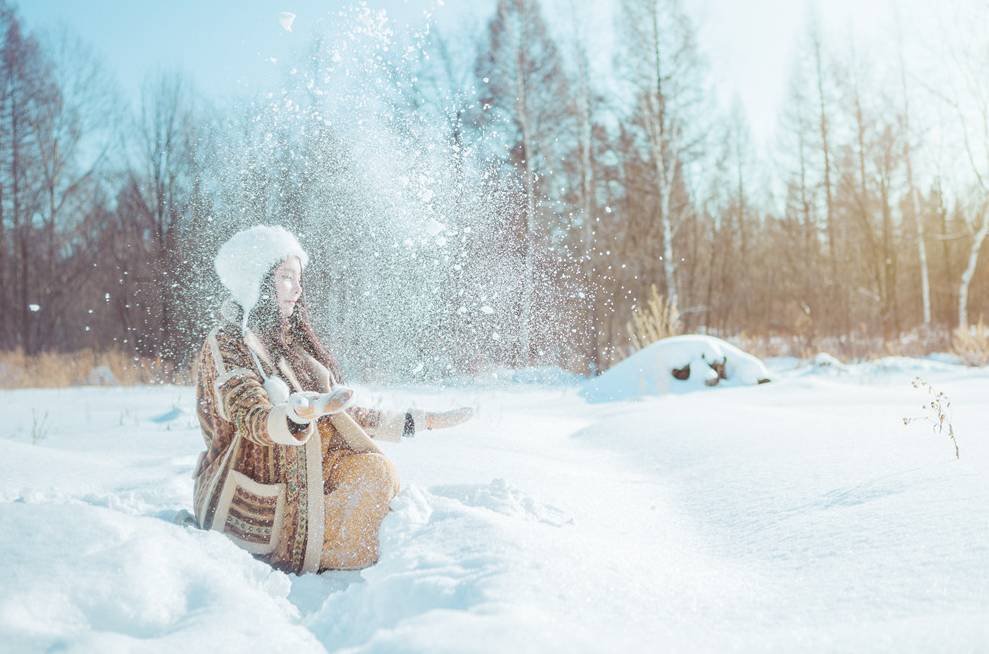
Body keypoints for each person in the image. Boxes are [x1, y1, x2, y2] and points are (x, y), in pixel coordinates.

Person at [192, 224, 472, 574]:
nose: (297, 290)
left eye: (298, 279)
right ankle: (323, 555)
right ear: (256, 279)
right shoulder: (228, 341)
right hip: (253, 497)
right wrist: (292, 417)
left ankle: (347, 550)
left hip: (309, 476)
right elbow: (248, 411)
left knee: (373, 471)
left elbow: (339, 411)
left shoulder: (290, 343)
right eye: (286, 278)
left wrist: (417, 421)